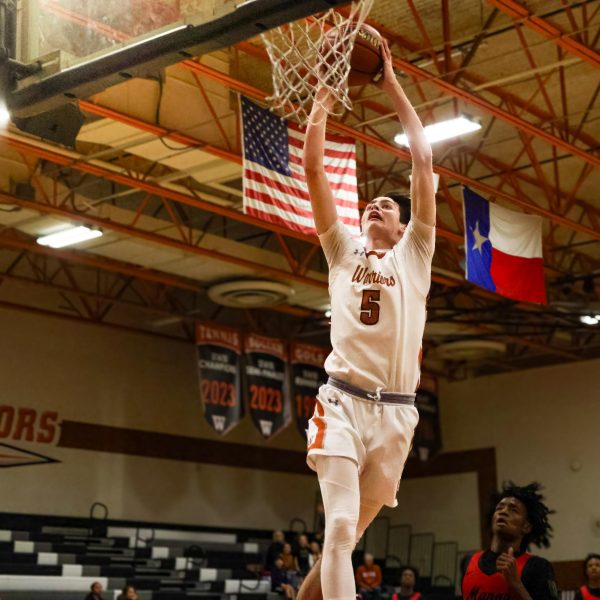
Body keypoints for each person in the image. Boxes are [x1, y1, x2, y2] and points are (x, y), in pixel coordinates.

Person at [300, 34, 435, 600]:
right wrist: (328, 92)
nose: (374, 205)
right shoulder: (341, 251)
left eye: (387, 204)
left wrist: (390, 83)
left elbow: (423, 159)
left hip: (397, 417)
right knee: (335, 531)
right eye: (369, 203)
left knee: (344, 542)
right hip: (343, 401)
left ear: (403, 226)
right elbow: (311, 164)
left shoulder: (416, 253)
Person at [461, 481, 558, 600]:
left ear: (526, 527)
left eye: (513, 510)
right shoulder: (468, 561)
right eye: (499, 508)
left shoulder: (538, 567)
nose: (503, 511)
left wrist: (517, 586)